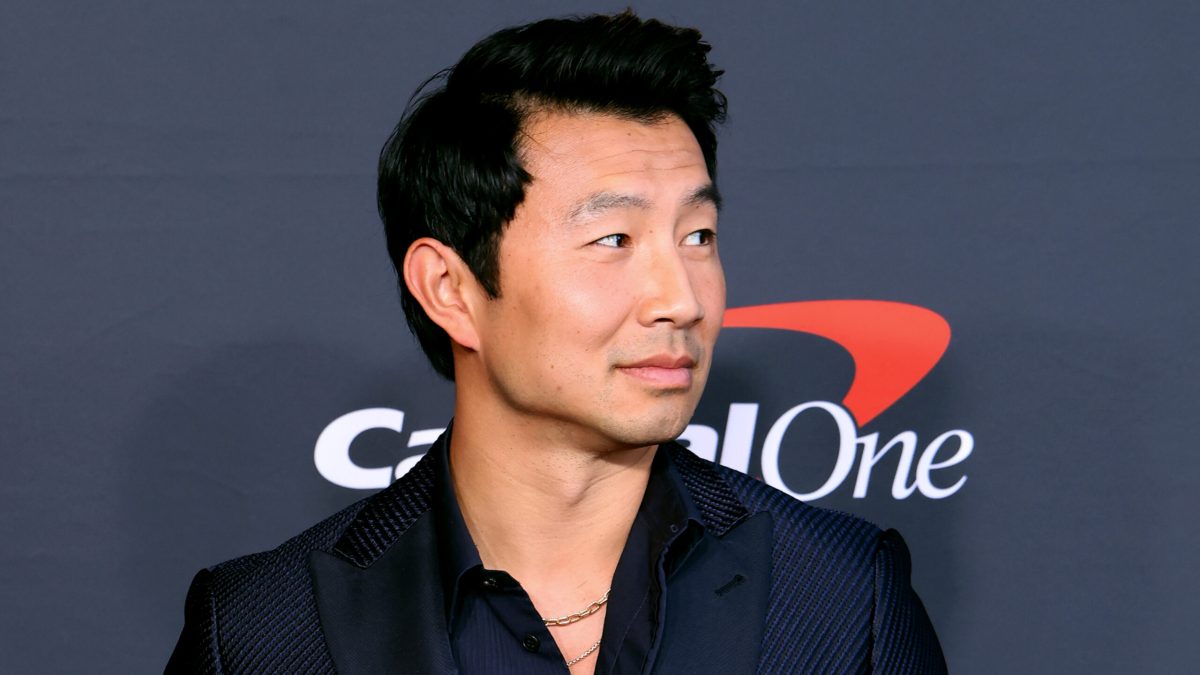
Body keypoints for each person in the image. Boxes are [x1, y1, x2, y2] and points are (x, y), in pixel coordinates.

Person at [167, 11, 946, 674]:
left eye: (698, 235)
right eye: (614, 239)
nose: (680, 298)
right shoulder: (260, 630)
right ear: (451, 289)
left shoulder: (844, 600)